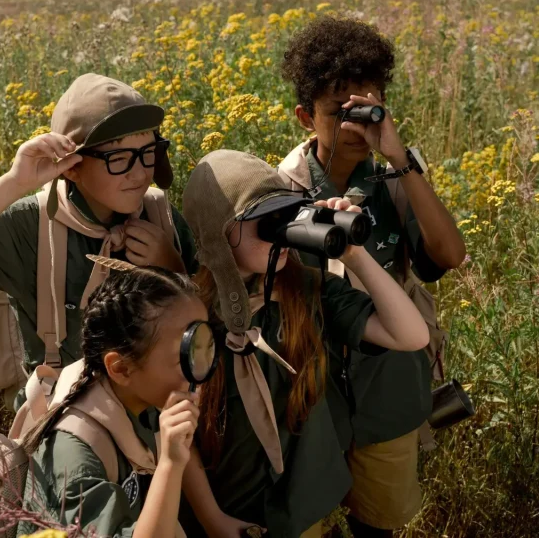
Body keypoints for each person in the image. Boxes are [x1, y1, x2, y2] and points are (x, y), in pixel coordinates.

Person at [278, 16, 467, 536]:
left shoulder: (395, 177)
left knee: (380, 522)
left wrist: (401, 158)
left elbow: (448, 255)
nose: (356, 125)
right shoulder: (283, 186)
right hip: (312, 390)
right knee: (307, 516)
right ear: (304, 117)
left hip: (388, 382)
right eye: (339, 112)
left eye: (368, 107)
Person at [0, 74, 196, 409]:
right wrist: (16, 181)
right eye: (118, 159)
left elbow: (208, 319)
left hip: (165, 414)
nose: (139, 172)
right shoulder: (33, 225)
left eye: (147, 153)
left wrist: (170, 266)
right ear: (72, 167)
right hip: (67, 414)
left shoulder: (160, 215)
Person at [177, 150, 429, 537]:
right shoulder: (187, 314)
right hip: (227, 505)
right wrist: (212, 517)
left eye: (286, 213)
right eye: (263, 219)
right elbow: (178, 431)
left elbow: (411, 335)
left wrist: (355, 256)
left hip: (299, 502)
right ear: (217, 232)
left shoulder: (308, 289)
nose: (279, 226)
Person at [15, 265, 203, 538]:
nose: (200, 368)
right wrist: (170, 465)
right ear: (121, 368)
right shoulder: (74, 460)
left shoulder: (136, 397)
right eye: (183, 355)